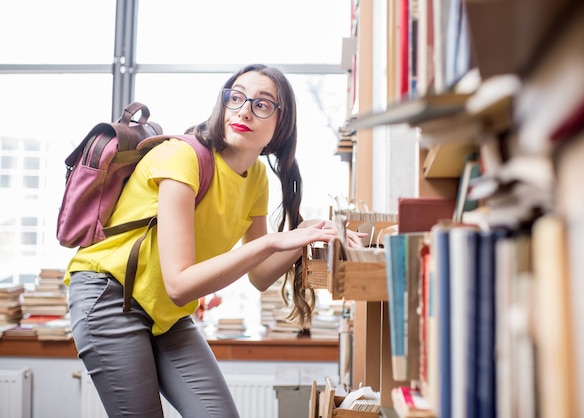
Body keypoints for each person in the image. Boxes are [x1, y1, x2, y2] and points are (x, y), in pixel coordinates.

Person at [64, 63, 362, 417]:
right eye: (236, 98)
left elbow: (261, 275)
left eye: (262, 104)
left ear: (280, 125)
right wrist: (271, 242)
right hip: (110, 297)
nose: (244, 110)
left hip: (166, 314)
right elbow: (179, 283)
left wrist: (305, 233)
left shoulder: (255, 181)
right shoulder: (182, 157)